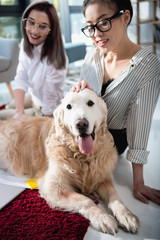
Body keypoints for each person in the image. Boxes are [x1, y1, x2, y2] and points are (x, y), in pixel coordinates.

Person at [71, 0, 160, 205]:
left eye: (103, 23)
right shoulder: (91, 58)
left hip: (113, 139)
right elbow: (81, 107)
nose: (96, 34)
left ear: (126, 17)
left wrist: (139, 182)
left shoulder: (147, 65)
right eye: (90, 26)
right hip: (85, 129)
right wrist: (82, 94)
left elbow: (140, 124)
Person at [0, 1, 67, 119]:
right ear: (25, 21)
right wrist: (19, 111)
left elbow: (49, 101)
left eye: (43, 26)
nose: (34, 31)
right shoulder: (26, 44)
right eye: (31, 22)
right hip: (34, 97)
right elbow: (21, 77)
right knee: (10, 106)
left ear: (52, 30)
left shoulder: (55, 59)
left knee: (2, 116)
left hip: (47, 110)